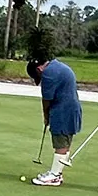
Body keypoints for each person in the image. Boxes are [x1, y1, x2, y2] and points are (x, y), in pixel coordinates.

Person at [26, 54, 82, 186]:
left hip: (62, 111)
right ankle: (57, 173)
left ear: (39, 69)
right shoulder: (57, 66)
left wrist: (46, 117)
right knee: (65, 142)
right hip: (72, 109)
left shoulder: (48, 74)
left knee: (60, 143)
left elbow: (46, 100)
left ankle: (54, 176)